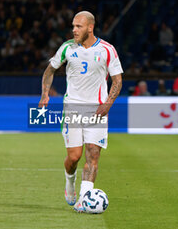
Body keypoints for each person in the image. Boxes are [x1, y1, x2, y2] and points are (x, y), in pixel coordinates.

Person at [38, 11, 123, 212]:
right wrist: (44, 95)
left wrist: (108, 103)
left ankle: (84, 199)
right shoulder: (67, 48)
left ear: (90, 28)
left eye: (79, 26)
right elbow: (50, 70)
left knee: (93, 154)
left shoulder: (107, 50)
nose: (74, 30)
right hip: (73, 109)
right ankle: (70, 181)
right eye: (73, 26)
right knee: (74, 157)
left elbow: (117, 80)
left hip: (97, 110)